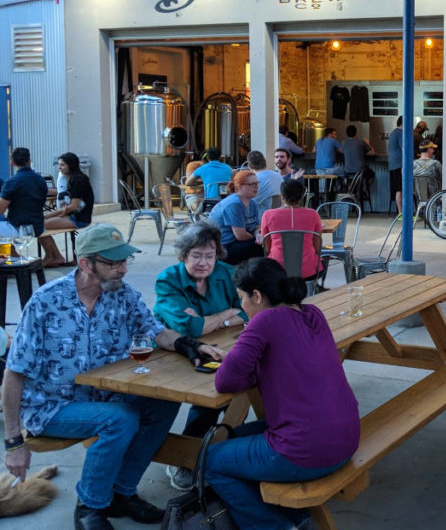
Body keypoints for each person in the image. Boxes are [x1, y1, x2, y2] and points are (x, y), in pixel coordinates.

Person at [1, 223, 223, 530]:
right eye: (113, 263)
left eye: (124, 261)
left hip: (106, 394)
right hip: (52, 405)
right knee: (119, 419)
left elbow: (156, 331)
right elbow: (14, 372)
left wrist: (188, 345)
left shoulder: (124, 296)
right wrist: (13, 442)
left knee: (163, 404)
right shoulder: (46, 302)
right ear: (85, 264)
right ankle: (90, 507)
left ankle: (122, 493)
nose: (122, 269)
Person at [206, 258, 359, 530]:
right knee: (232, 435)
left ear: (257, 295)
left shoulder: (264, 320)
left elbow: (224, 380)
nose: (242, 306)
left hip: (307, 451)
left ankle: (273, 526)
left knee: (211, 460)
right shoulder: (312, 313)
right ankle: (294, 517)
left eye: (242, 298)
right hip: (346, 438)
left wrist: (241, 357)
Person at [153, 220, 248, 490]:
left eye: (210, 255)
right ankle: (182, 457)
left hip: (220, 346)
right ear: (183, 255)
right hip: (173, 352)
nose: (204, 263)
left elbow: (248, 310)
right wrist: (226, 315)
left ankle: (209, 448)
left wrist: (213, 319)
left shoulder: (227, 273)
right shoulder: (168, 279)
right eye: (196, 256)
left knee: (237, 384)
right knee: (203, 396)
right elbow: (187, 327)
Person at [260, 179, 325, 281]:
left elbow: (267, 248)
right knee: (321, 261)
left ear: (282, 197)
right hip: (309, 270)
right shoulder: (313, 214)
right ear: (301, 197)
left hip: (277, 270)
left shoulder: (268, 215)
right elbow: (317, 247)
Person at [42, 152, 94, 268]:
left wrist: (48, 216)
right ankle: (55, 256)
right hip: (72, 215)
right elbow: (63, 194)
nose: (59, 167)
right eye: (59, 165)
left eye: (62, 165)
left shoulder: (79, 180)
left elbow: (73, 207)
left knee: (39, 225)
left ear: (71, 165)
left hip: (79, 218)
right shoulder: (71, 178)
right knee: (38, 223)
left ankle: (53, 256)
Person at [209, 170, 263, 265]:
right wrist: (256, 236)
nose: (256, 186)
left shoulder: (253, 203)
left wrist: (258, 234)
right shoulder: (234, 204)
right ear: (239, 186)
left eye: (257, 183)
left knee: (266, 243)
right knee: (262, 247)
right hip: (222, 248)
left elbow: (257, 227)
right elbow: (241, 236)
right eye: (252, 184)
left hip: (237, 243)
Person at [0, 147, 47, 238]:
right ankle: (12, 252)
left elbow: (1, 210)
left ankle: (11, 252)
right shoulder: (41, 180)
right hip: (38, 227)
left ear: (12, 163)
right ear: (29, 160)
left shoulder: (11, 182)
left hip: (19, 228)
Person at [413, 139, 442, 206]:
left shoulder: (413, 164)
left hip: (420, 197)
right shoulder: (436, 164)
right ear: (428, 149)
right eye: (432, 149)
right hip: (434, 198)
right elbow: (443, 178)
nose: (433, 151)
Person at [388, 116, 403, 212]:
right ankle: (401, 212)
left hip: (393, 164)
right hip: (399, 164)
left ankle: (400, 212)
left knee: (398, 188)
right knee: (400, 189)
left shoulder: (394, 132)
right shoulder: (401, 133)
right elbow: (404, 148)